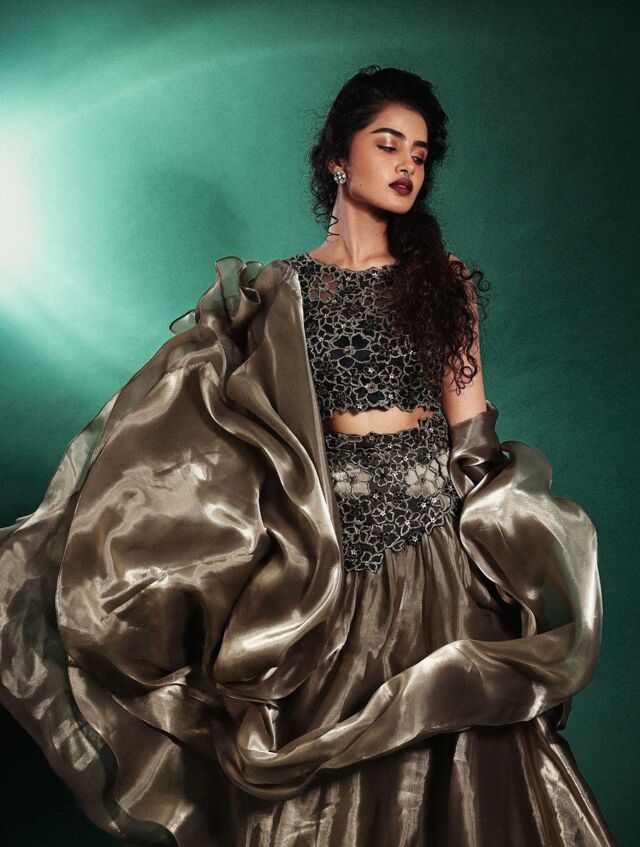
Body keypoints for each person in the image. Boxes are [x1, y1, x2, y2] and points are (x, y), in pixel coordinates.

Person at [0, 65, 617, 846]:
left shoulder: (444, 283)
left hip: (440, 556)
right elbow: (220, 429)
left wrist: (512, 555)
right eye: (388, 144)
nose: (407, 165)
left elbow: (473, 437)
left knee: (466, 766)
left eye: (421, 155)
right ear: (336, 157)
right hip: (324, 563)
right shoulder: (276, 291)